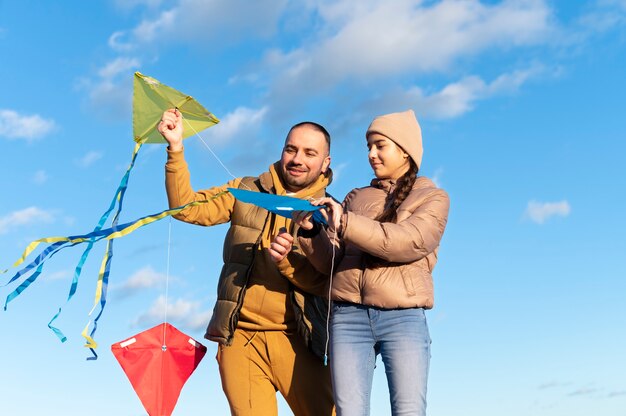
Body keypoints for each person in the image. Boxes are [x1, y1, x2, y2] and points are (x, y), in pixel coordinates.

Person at [270, 109, 450, 415]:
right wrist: (312, 233)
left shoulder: (433, 198)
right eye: (369, 146)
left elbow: (405, 243)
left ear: (405, 151)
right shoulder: (355, 198)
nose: (372, 154)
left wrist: (346, 222)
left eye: (380, 145)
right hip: (347, 317)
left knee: (408, 411)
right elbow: (331, 264)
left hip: (402, 317)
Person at [158, 108, 335, 416]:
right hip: (240, 338)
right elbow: (186, 209)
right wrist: (176, 148)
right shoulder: (247, 190)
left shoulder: (331, 212)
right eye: (291, 149)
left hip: (301, 344)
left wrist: (288, 262)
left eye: (310, 153)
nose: (297, 159)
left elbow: (326, 280)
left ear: (325, 162)